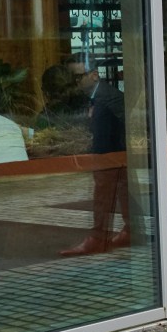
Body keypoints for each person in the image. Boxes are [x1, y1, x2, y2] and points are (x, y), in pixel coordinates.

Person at [61, 65, 135, 256]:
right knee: (123, 190)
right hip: (117, 152)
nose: (76, 82)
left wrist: (98, 156)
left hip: (111, 152)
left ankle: (99, 237)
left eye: (79, 77)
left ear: (94, 75)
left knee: (104, 192)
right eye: (74, 78)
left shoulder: (105, 98)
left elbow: (110, 130)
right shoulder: (102, 95)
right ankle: (130, 229)